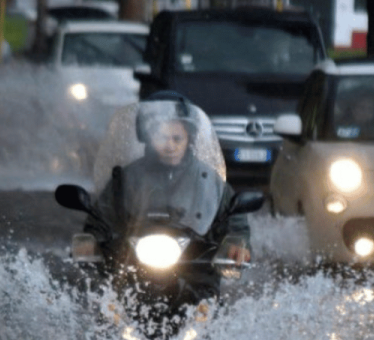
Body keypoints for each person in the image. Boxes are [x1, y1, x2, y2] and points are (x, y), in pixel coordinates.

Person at [84, 90, 252, 306]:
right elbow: (100, 218)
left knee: (213, 313)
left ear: (189, 138)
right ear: (146, 136)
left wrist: (238, 243)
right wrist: (90, 241)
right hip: (133, 267)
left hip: (195, 271)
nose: (170, 145)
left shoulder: (209, 181)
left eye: (177, 138)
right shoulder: (125, 179)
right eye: (161, 137)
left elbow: (233, 219)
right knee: (106, 307)